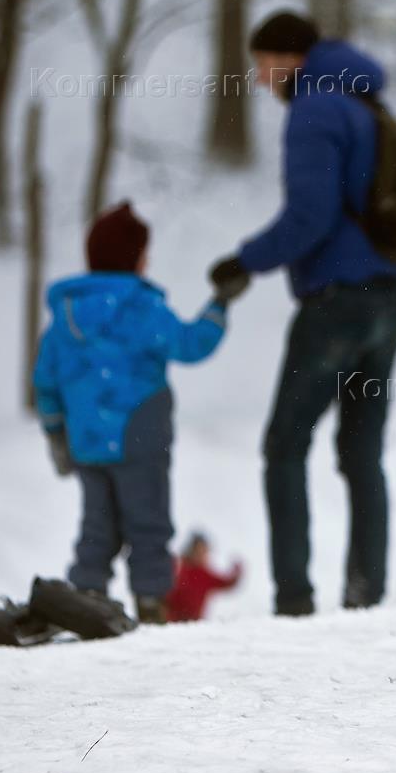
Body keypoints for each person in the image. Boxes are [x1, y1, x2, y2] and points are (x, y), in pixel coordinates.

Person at [209, 12, 396, 616]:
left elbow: (311, 217)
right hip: (388, 302)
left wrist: (245, 260)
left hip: (336, 307)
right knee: (362, 452)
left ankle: (294, 598)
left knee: (285, 444)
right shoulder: (366, 104)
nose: (259, 77)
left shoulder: (315, 109)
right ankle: (366, 593)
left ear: (289, 58)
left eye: (262, 63)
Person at [34, 203, 250, 624]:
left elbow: (45, 382)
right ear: (132, 258)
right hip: (140, 439)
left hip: (88, 445)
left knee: (98, 527)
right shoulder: (142, 308)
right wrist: (220, 304)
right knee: (148, 525)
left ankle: (85, 595)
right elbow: (190, 345)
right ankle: (152, 606)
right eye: (143, 253)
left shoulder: (66, 317)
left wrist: (56, 435)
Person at [166, 533, 243, 622]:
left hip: (194, 622)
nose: (201, 555)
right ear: (190, 550)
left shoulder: (205, 574)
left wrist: (236, 575)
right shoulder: (179, 567)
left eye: (204, 551)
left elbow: (225, 583)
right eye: (198, 551)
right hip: (172, 620)